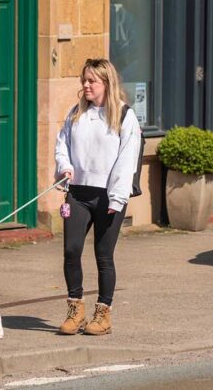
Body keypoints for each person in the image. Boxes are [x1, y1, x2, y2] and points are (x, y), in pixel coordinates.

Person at [54, 58, 141, 335]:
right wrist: (65, 168)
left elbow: (127, 160)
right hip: (78, 193)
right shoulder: (76, 113)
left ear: (106, 83)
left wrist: (116, 199)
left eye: (92, 81)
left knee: (103, 255)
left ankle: (103, 314)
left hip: (108, 196)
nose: (86, 85)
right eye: (84, 80)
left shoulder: (125, 116)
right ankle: (75, 309)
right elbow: (62, 145)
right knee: (71, 251)